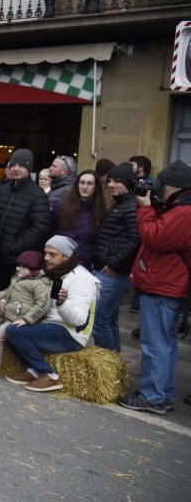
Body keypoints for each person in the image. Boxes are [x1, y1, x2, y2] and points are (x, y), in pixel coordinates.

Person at [118, 161, 191, 414]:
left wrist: (146, 209)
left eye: (162, 184)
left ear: (173, 186)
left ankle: (153, 396)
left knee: (156, 345)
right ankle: (163, 394)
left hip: (163, 286)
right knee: (164, 344)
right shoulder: (180, 207)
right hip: (164, 284)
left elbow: (155, 237)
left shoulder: (185, 212)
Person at [4, 235, 98, 392]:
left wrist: (63, 303)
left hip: (70, 334)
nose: (46, 258)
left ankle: (49, 375)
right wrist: (3, 302)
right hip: (49, 323)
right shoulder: (55, 272)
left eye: (52, 255)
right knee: (6, 330)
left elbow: (79, 319)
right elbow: (23, 289)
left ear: (66, 256)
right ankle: (32, 370)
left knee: (14, 332)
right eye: (46, 253)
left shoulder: (83, 279)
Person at [0, 148, 52, 296]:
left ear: (29, 168)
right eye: (13, 165)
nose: (16, 169)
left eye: (22, 165)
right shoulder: (2, 190)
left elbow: (40, 228)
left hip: (16, 261)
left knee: (10, 303)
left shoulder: (38, 196)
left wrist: (14, 248)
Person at [0, 251, 52, 376]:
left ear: (35, 270)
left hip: (17, 317)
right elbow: (7, 292)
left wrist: (26, 319)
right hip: (7, 311)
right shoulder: (17, 278)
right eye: (19, 265)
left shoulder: (40, 284)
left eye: (23, 267)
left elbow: (42, 305)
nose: (19, 268)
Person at [90, 163, 140, 352]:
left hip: (113, 273)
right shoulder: (120, 204)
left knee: (100, 321)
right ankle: (115, 367)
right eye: (109, 180)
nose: (111, 185)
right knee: (109, 320)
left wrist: (113, 265)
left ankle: (108, 368)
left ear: (128, 183)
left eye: (117, 181)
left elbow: (135, 240)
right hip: (108, 271)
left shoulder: (130, 206)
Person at [51, 169, 111, 270]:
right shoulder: (61, 206)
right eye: (82, 183)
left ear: (96, 187)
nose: (84, 187)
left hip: (83, 263)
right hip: (60, 260)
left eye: (89, 183)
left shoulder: (101, 211)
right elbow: (49, 230)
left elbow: (99, 241)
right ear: (77, 185)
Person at [128, 155, 153, 314]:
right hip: (134, 222)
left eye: (133, 165)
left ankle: (137, 300)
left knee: (141, 264)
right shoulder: (131, 181)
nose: (130, 167)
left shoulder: (147, 183)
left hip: (141, 225)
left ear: (141, 168)